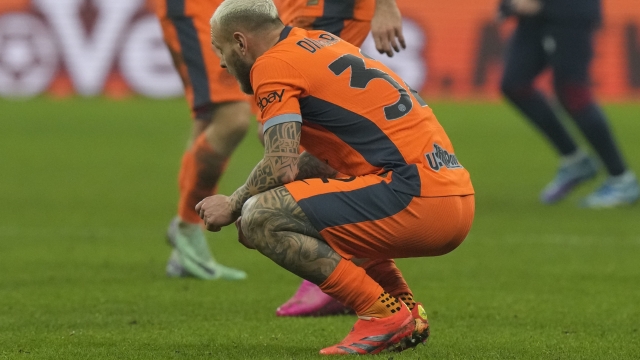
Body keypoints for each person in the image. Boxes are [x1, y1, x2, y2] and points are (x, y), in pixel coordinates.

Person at [198, 0, 475, 354]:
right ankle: (403, 308)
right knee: (299, 206)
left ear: (240, 42)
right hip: (452, 196)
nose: (221, 62)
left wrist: (233, 204)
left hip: (415, 196)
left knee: (260, 216)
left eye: (219, 50)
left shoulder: (272, 64)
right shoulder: (323, 42)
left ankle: (381, 316)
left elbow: (282, 163)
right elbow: (324, 163)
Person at [271, 0, 408, 318]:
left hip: (329, 7)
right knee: (287, 129)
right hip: (294, 7)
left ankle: (333, 275)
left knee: (312, 130)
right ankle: (365, 273)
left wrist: (385, 5)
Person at [499, 0, 639, 208]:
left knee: (573, 91)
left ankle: (621, 179)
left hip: (569, 11)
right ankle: (575, 161)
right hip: (533, 16)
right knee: (515, 84)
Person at [152, 0, 250, 280]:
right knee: (233, 118)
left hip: (224, 7)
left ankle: (185, 246)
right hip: (196, 8)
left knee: (209, 118)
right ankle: (186, 226)